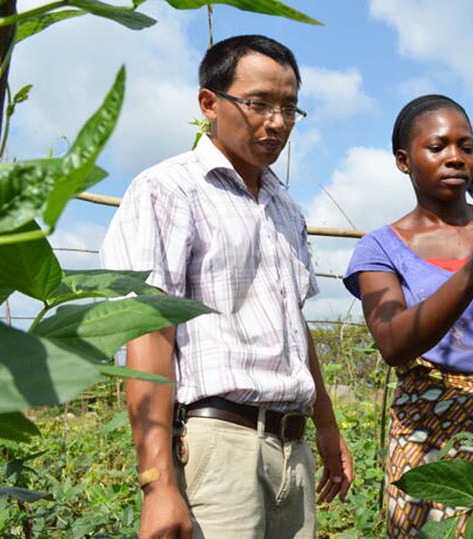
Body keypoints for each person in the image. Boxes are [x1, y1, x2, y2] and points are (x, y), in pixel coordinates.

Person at [101, 34, 353, 539]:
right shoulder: (168, 189)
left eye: (289, 108)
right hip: (218, 443)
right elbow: (148, 331)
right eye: (259, 104)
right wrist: (157, 483)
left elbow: (294, 327)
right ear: (209, 103)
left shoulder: (286, 209)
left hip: (291, 447)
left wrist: (326, 427)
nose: (277, 122)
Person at [342, 94, 473, 538]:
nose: (455, 157)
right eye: (438, 147)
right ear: (404, 160)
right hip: (427, 434)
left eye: (466, 146)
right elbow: (394, 343)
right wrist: (471, 275)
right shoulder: (380, 247)